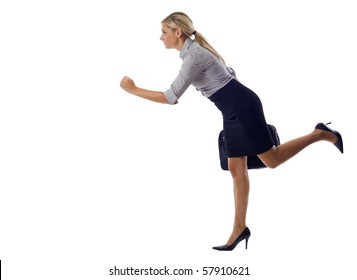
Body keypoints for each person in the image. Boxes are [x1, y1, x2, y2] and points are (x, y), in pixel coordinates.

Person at [120, 12, 343, 251]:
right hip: (232, 111)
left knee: (273, 160)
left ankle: (320, 134)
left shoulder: (193, 57)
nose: (160, 37)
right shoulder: (194, 53)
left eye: (164, 32)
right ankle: (239, 228)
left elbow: (170, 97)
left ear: (178, 32)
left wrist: (133, 90)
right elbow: (229, 75)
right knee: (237, 169)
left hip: (243, 108)